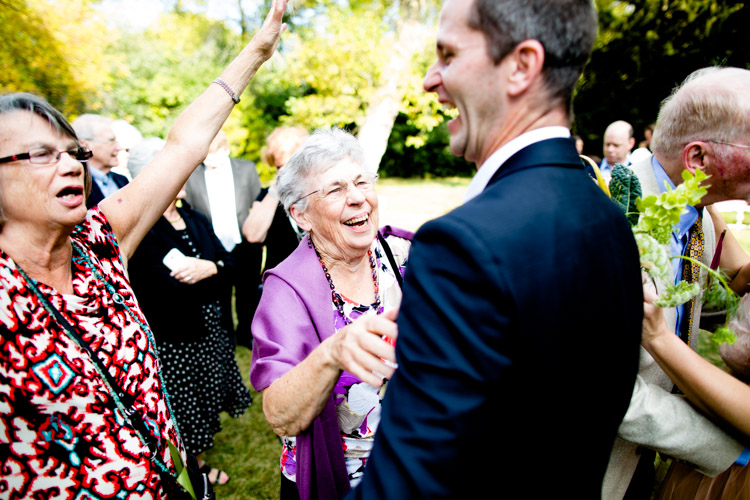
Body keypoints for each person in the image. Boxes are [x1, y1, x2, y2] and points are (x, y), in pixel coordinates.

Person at [347, 0, 644, 498]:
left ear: (522, 66)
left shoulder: (461, 246)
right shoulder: (608, 217)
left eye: (447, 55)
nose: (429, 80)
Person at [0, 1, 286, 497]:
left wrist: (255, 54)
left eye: (73, 152)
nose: (70, 166)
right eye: (41, 154)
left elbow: (183, 146)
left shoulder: (99, 242)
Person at [604, 66, 750, 500]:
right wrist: (730, 442)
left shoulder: (700, 216)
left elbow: (712, 308)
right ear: (698, 159)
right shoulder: (610, 222)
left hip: (641, 466)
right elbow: (601, 385)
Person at [250, 128, 413, 500]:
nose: (357, 198)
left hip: (413, 461)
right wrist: (333, 352)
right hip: (341, 478)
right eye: (336, 189)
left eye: (361, 182)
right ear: (301, 215)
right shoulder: (286, 290)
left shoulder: (404, 254)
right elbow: (280, 416)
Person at [127, 137, 252, 486]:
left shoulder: (193, 217)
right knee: (185, 407)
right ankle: (195, 470)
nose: (187, 175)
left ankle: (198, 458)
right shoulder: (142, 229)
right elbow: (159, 289)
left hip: (209, 328)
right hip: (174, 338)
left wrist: (209, 269)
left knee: (207, 395)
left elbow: (232, 264)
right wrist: (213, 271)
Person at [184, 129, 262, 344]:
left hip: (245, 242)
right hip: (214, 246)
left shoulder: (246, 169)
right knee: (220, 293)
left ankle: (247, 335)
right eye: (206, 156)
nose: (210, 160)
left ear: (225, 149)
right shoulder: (193, 175)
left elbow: (256, 203)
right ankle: (226, 336)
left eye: (215, 154)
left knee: (247, 292)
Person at [242, 125, 309, 322]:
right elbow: (253, 235)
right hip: (280, 285)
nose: (285, 172)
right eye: (279, 167)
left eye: (291, 166)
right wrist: (276, 189)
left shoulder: (318, 192)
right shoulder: (267, 196)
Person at [71, 113, 128, 208]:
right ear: (85, 145)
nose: (119, 147)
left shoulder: (122, 181)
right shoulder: (77, 187)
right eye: (111, 141)